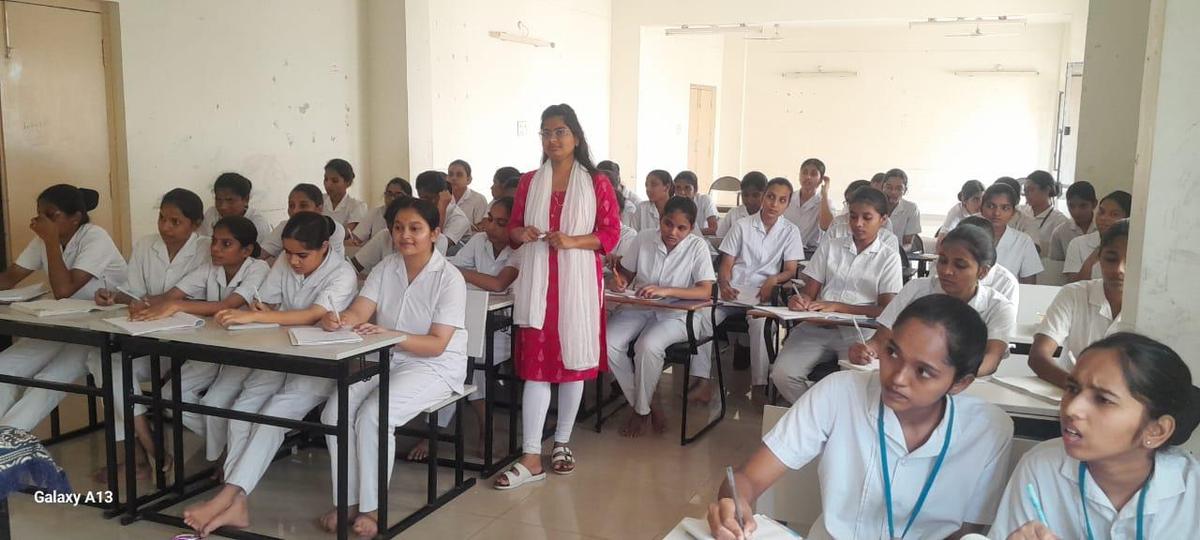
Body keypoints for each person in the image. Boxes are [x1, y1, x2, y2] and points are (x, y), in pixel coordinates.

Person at [708, 295, 1014, 540]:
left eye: (923, 371)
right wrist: (733, 503)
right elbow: (747, 479)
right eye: (892, 353)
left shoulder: (989, 431)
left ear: (960, 383)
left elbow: (970, 532)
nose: (898, 378)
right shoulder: (838, 394)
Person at [182, 212, 357, 536]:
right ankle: (238, 505)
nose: (292, 261)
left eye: (302, 255)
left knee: (271, 418)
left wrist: (262, 317)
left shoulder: (342, 273)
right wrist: (274, 316)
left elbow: (312, 315)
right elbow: (269, 305)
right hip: (280, 353)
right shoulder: (285, 262)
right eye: (288, 252)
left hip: (319, 365)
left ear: (324, 247)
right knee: (240, 412)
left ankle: (228, 497)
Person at [314, 197, 468, 538]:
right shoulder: (386, 268)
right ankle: (348, 500)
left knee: (374, 415)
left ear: (435, 233)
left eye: (415, 228)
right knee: (334, 412)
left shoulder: (449, 278)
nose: (405, 235)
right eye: (398, 228)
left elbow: (437, 343)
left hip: (435, 366)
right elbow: (360, 311)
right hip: (387, 357)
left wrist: (391, 335)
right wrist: (338, 320)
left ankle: (372, 507)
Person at [493, 104, 621, 490]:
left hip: (577, 285)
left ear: (576, 137)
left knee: (572, 365)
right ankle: (531, 455)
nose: (552, 139)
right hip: (537, 285)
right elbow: (511, 230)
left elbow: (611, 235)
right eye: (546, 132)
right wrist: (523, 233)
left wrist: (573, 241)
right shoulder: (530, 182)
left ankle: (562, 442)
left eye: (560, 132)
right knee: (536, 367)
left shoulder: (597, 182)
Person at [990, 333, 1200, 540]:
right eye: (1072, 389)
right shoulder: (1042, 466)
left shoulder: (1192, 493)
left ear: (1157, 431)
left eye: (1103, 400)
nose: (1072, 408)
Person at [91, 188, 211, 479]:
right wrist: (113, 297)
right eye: (162, 218)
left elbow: (197, 299)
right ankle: (149, 445)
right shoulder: (146, 245)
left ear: (195, 224)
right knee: (103, 362)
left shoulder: (209, 248)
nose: (165, 227)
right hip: (148, 339)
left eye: (175, 221)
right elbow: (133, 292)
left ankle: (143, 456)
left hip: (189, 345)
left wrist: (150, 302)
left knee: (114, 372)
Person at [130, 216, 270, 458]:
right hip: (211, 347)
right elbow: (171, 295)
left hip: (245, 352)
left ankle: (229, 453)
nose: (215, 248)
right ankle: (229, 444)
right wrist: (141, 303)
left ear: (246, 250)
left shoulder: (258, 268)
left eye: (226, 244)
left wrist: (177, 306)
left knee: (214, 403)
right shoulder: (210, 267)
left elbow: (228, 305)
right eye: (214, 241)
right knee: (169, 397)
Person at [0, 185, 127, 430]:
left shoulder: (94, 237)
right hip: (60, 324)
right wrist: (48, 239)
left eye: (51, 215)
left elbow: (63, 290)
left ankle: (7, 449)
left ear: (76, 218)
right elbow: (10, 277)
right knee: (4, 368)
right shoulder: (45, 240)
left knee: (48, 381)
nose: (43, 222)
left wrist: (50, 241)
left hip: (97, 331)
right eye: (40, 215)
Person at [409, 196, 521, 462]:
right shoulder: (478, 241)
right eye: (490, 219)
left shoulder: (521, 251)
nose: (490, 226)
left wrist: (466, 275)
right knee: (454, 354)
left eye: (501, 223)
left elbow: (497, 285)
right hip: (470, 321)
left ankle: (481, 427)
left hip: (503, 329)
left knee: (473, 360)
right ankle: (437, 428)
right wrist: (468, 275)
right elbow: (451, 268)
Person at [770, 187, 902, 403]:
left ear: (883, 219)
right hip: (817, 327)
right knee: (782, 375)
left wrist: (838, 306)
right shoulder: (831, 246)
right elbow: (809, 292)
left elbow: (887, 310)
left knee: (859, 384)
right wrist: (800, 300)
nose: (858, 223)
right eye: (853, 216)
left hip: (860, 333)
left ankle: (830, 418)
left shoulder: (888, 258)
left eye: (867, 218)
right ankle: (820, 416)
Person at [606, 196, 716, 437]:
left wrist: (666, 290)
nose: (672, 232)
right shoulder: (643, 238)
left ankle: (640, 411)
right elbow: (625, 273)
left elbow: (705, 290)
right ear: (661, 219)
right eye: (668, 224)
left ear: (691, 227)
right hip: (640, 306)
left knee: (648, 345)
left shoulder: (698, 247)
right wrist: (619, 281)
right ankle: (646, 402)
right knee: (608, 342)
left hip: (679, 314)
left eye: (681, 228)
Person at [850, 221, 1016, 376]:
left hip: (970, 385)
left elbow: (991, 360)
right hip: (910, 379)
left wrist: (941, 374)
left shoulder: (998, 307)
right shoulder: (917, 289)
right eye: (942, 261)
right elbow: (881, 340)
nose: (946, 271)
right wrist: (867, 350)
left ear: (982, 272)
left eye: (960, 265)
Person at [704, 177, 804, 394]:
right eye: (770, 197)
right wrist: (724, 283)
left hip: (763, 293)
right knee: (705, 317)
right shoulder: (742, 225)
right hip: (733, 290)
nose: (774, 204)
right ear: (763, 197)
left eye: (781, 200)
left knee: (760, 325)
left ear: (787, 204)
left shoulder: (790, 231)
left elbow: (790, 269)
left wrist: (773, 280)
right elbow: (726, 263)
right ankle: (702, 381)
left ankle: (759, 386)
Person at [1028, 220, 1131, 389]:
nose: (1120, 269)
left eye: (1131, 261)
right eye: (1111, 259)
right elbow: (1038, 357)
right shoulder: (1074, 294)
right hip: (1070, 392)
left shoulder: (1150, 307)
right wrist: (1080, 388)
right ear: (1098, 257)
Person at [260, 183, 346, 262]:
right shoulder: (284, 227)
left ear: (319, 209)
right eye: (291, 206)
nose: (295, 211)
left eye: (303, 205)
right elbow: (260, 254)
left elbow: (330, 265)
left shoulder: (334, 230)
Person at [981, 183, 1043, 283]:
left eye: (1005, 208)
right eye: (991, 206)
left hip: (1008, 297)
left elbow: (1029, 284)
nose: (997, 213)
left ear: (1013, 213)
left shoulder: (1023, 241)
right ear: (981, 208)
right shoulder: (966, 236)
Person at [1064, 190, 1131, 283]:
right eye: (1101, 212)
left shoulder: (1135, 248)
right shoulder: (1078, 244)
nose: (1104, 218)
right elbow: (1073, 285)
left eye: (1114, 214)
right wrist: (1098, 253)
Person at [198, 172, 273, 241]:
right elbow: (202, 243)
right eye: (218, 199)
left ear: (246, 199)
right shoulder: (212, 213)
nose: (222, 207)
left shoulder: (258, 224)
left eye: (230, 200)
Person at [782, 158, 835, 255]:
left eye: (813, 174)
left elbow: (826, 226)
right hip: (783, 249)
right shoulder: (788, 198)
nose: (808, 177)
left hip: (809, 253)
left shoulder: (825, 202)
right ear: (799, 176)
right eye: (804, 173)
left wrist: (825, 194)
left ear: (821, 180)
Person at [1019, 171, 1070, 255]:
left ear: (1047, 190)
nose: (1027, 194)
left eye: (1031, 190)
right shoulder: (1020, 212)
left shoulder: (1059, 221)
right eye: (1025, 191)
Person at [1048, 181, 1097, 262]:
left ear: (1094, 204)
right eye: (1071, 206)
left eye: (1083, 206)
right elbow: (1055, 266)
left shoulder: (1103, 229)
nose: (1076, 212)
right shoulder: (1060, 233)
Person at [351, 177, 410, 244]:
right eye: (389, 194)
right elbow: (355, 239)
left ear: (409, 197)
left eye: (398, 195)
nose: (392, 198)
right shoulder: (375, 213)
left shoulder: (413, 216)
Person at [322, 158, 368, 235]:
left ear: (348, 183)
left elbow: (346, 234)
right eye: (326, 179)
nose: (328, 184)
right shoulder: (318, 200)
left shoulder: (357, 206)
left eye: (335, 181)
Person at [715, 171, 767, 238]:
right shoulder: (733, 213)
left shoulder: (770, 215)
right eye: (745, 195)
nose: (749, 200)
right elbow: (720, 237)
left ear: (765, 194)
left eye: (755, 195)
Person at [881, 168, 921, 250]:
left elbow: (908, 243)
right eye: (889, 187)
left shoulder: (911, 209)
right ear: (882, 187)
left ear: (905, 190)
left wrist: (895, 253)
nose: (893, 192)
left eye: (899, 188)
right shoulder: (872, 206)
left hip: (899, 256)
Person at [673, 170, 720, 236]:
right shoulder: (671, 204)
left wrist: (688, 232)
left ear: (695, 189)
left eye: (687, 188)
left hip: (702, 240)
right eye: (678, 187)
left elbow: (713, 229)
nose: (682, 192)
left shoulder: (704, 200)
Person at [447, 159, 489, 227]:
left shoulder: (479, 199)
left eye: (459, 175)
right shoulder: (442, 198)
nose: (453, 178)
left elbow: (480, 229)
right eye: (450, 174)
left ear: (468, 179)